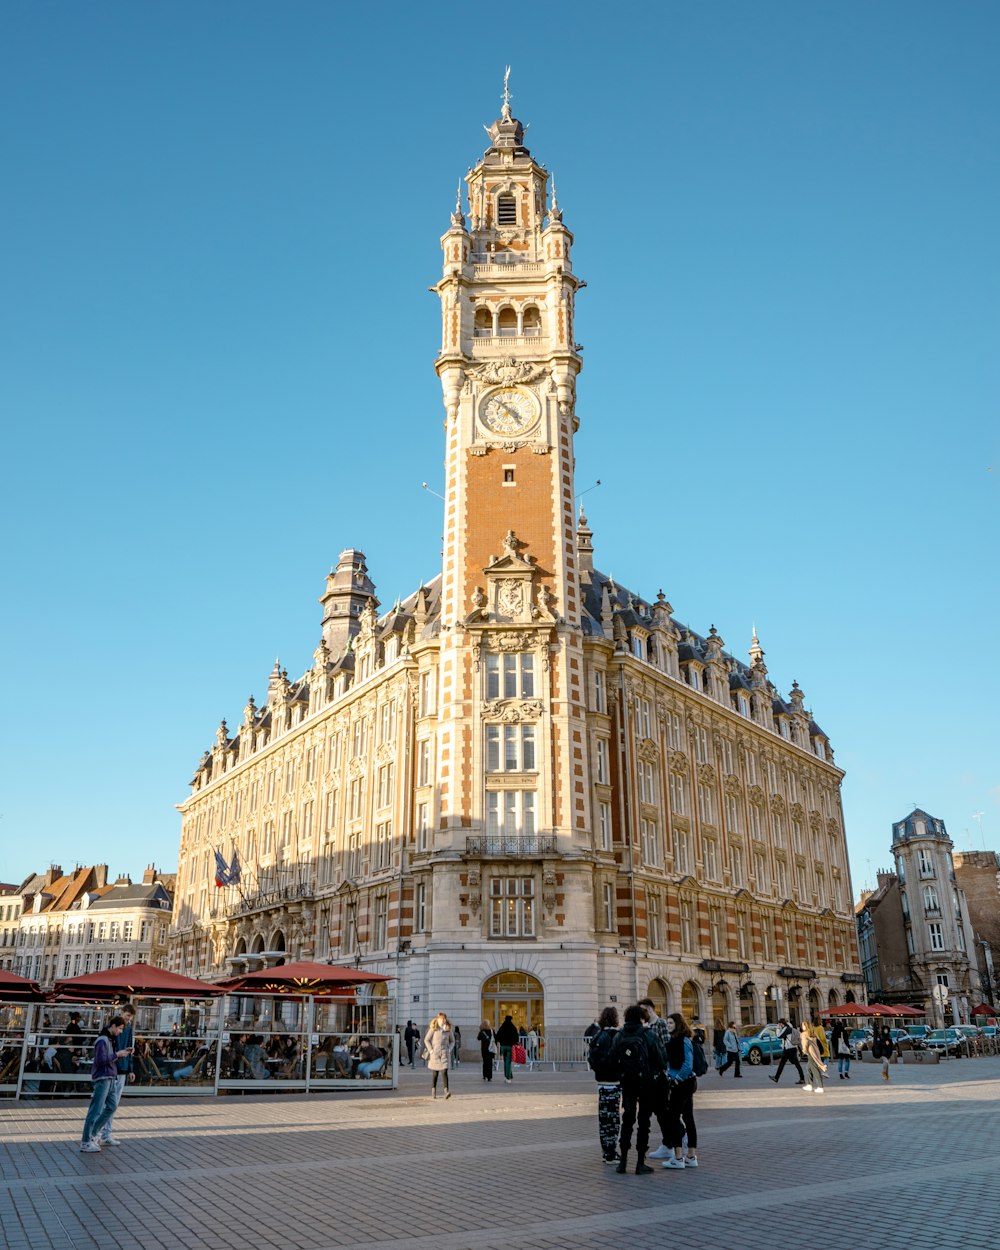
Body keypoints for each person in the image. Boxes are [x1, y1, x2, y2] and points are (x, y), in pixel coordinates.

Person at [611, 1003, 663, 1174]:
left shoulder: (620, 1035)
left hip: (627, 1083)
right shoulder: (648, 1034)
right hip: (646, 1083)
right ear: (642, 1018)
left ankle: (623, 1161)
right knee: (644, 1122)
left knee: (627, 1119)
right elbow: (661, 1059)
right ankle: (640, 1162)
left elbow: (612, 1058)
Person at [80, 1015, 130, 1152]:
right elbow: (100, 1060)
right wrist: (117, 1055)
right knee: (95, 1110)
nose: (120, 1032)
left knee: (112, 1106)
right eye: (119, 1028)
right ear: (113, 1026)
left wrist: (120, 1054)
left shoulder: (109, 1039)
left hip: (110, 1077)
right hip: (103, 1077)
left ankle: (93, 1134)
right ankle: (86, 1140)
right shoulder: (103, 1040)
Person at [661, 1011, 698, 1169]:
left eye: (670, 1023)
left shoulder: (683, 1041)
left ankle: (678, 1157)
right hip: (684, 1082)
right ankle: (690, 1156)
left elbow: (688, 1064)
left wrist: (676, 1079)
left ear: (678, 1024)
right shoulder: (673, 1041)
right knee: (687, 1117)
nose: (668, 1026)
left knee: (673, 1118)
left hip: (683, 1083)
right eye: (667, 1023)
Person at [637, 998, 672, 1161]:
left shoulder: (661, 1024)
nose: (642, 1014)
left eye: (643, 1010)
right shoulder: (645, 1027)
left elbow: (666, 1045)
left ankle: (671, 1144)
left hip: (660, 1075)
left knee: (663, 1112)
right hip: (648, 1076)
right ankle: (670, 1142)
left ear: (650, 1009)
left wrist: (665, 1069)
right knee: (656, 1112)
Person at [587, 1006, 621, 1163]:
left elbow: (591, 1058)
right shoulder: (616, 1035)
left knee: (603, 1118)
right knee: (613, 1118)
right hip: (614, 1081)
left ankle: (605, 1151)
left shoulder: (598, 1035)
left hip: (601, 1082)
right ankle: (611, 1152)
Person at [99, 1002, 135, 1145]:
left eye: (130, 1018)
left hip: (122, 1069)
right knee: (107, 1104)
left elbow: (129, 1046)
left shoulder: (129, 1029)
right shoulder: (111, 1028)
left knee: (113, 1104)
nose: (128, 1020)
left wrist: (131, 1069)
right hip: (112, 1067)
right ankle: (99, 1133)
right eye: (127, 1017)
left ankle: (106, 1134)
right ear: (122, 1013)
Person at [424, 1013, 454, 1098]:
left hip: (444, 1054)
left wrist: (449, 1049)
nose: (443, 1020)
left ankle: (446, 1091)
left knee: (444, 1072)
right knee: (435, 1074)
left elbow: (452, 1041)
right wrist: (431, 1050)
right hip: (435, 1054)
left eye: (444, 1019)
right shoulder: (433, 1029)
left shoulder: (448, 1029)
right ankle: (433, 1090)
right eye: (441, 1019)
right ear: (438, 1019)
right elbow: (426, 1040)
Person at [769, 1017, 805, 1085]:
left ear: (782, 1024)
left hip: (788, 1049)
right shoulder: (790, 1027)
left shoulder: (786, 1028)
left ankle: (776, 1078)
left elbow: (779, 1036)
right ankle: (802, 1078)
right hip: (793, 1048)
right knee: (796, 1064)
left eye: (780, 1024)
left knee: (782, 1063)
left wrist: (777, 1028)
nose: (779, 1025)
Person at [800, 1020, 827, 1093]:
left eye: (803, 1025)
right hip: (816, 1051)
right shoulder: (812, 1033)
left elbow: (805, 1044)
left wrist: (804, 1051)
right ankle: (809, 1085)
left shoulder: (804, 1034)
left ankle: (820, 1087)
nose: (802, 1027)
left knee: (815, 1069)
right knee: (809, 1068)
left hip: (811, 1053)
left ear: (806, 1026)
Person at [495, 1013, 519, 1083]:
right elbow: (516, 1037)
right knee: (508, 1062)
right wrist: (515, 1043)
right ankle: (508, 1077)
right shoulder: (513, 1027)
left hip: (503, 1047)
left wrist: (499, 1042)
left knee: (506, 1062)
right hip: (510, 1047)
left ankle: (507, 1076)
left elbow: (498, 1036)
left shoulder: (502, 1027)